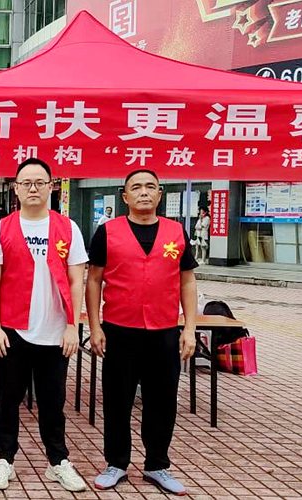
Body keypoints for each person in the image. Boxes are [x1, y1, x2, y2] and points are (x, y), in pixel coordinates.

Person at [85, 169, 198, 495]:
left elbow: (187, 281)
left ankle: (157, 465)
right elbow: (94, 280)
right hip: (120, 330)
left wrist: (189, 328)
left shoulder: (176, 232)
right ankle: (116, 463)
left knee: (162, 401)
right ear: (125, 196)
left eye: (151, 187)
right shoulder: (107, 232)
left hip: (164, 331)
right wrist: (95, 326)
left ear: (160, 194)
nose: (144, 192)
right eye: (136, 187)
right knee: (117, 400)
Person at [0, 158, 88, 492]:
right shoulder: (1, 229)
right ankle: (4, 459)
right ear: (15, 188)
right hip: (13, 330)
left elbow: (77, 281)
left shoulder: (68, 229)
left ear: (51, 187)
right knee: (7, 400)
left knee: (53, 402)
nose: (33, 188)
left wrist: (72, 325)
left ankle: (57, 462)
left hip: (56, 332)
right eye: (26, 182)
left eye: (40, 182)